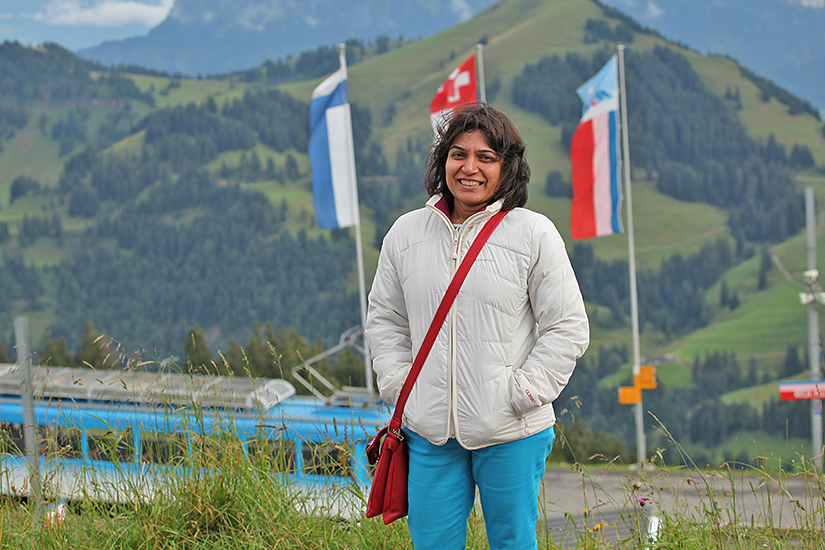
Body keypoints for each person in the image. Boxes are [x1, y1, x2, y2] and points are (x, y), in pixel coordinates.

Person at [365, 103, 589, 550]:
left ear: (507, 167)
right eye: (458, 154)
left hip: (512, 431)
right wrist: (399, 383)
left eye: (486, 157)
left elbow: (567, 326)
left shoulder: (533, 233)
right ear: (442, 161)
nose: (470, 168)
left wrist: (524, 393)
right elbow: (386, 319)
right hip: (428, 431)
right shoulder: (406, 234)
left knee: (512, 543)